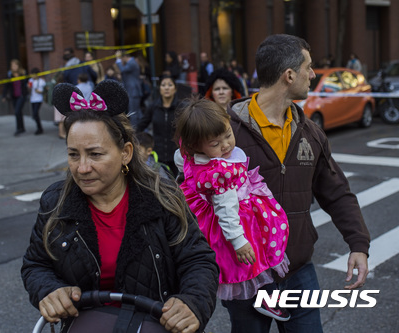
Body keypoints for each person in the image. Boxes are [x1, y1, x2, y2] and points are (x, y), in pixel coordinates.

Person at [21, 80, 219, 333]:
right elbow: (36, 264)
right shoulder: (55, 202)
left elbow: (198, 260)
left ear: (125, 152)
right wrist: (49, 290)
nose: (82, 168)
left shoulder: (163, 197)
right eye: (73, 154)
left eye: (95, 154)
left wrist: (192, 302)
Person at [227, 34, 370, 332]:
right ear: (289, 75)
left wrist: (358, 244)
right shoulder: (226, 134)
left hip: (299, 270)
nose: (313, 74)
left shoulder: (311, 133)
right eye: (309, 66)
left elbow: (337, 193)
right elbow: (192, 197)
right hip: (248, 275)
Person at [173, 97, 291, 323]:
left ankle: (263, 296)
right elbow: (226, 209)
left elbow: (180, 160)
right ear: (196, 145)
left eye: (228, 135)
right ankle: (265, 298)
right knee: (256, 255)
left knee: (252, 259)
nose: (226, 145)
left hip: (214, 217)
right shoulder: (220, 173)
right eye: (215, 143)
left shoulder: (186, 154)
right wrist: (239, 240)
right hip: (237, 219)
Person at [136, 75, 180, 176]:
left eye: (170, 85)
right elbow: (142, 124)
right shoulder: (153, 106)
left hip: (176, 154)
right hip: (157, 154)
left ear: (175, 88)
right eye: (163, 85)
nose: (167, 88)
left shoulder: (180, 107)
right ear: (159, 88)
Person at [116, 51, 143, 126]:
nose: (121, 61)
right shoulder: (132, 62)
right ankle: (141, 128)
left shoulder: (131, 63)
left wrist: (118, 60)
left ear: (124, 57)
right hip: (132, 90)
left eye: (121, 59)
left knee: (133, 112)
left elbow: (122, 69)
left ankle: (135, 130)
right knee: (137, 111)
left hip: (133, 91)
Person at [2, 59, 29, 136]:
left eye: (15, 65)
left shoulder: (23, 73)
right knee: (18, 112)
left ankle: (18, 129)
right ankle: (22, 127)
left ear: (18, 65)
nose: (14, 67)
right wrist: (4, 96)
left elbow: (27, 82)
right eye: (12, 65)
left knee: (17, 111)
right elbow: (6, 86)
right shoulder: (9, 74)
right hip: (14, 96)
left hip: (21, 95)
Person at [27, 68, 46, 135]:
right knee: (35, 115)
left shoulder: (41, 81)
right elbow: (29, 88)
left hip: (38, 99)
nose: (32, 76)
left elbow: (45, 90)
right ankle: (39, 128)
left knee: (35, 113)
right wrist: (29, 86)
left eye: (34, 74)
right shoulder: (30, 80)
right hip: (32, 99)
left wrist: (39, 91)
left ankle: (39, 128)